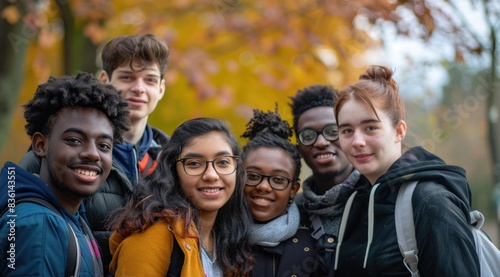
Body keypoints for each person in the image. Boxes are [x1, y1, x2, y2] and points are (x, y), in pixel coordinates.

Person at [18, 33, 170, 273]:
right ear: (105, 80)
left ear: (161, 88)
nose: (139, 88)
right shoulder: (57, 153)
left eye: (150, 80)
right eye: (127, 77)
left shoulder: (173, 161)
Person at [333, 65, 480, 276]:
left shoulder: (431, 202)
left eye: (370, 128)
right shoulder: (353, 202)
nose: (357, 141)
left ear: (399, 131)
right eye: (347, 130)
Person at [0, 72, 130, 276]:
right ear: (41, 145)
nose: (92, 154)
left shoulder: (70, 216)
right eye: (74, 140)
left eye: (104, 145)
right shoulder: (39, 225)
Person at [107, 117, 254, 276]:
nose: (211, 175)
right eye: (194, 163)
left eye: (223, 162)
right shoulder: (152, 236)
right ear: (173, 170)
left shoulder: (228, 236)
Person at [289, 85, 362, 275]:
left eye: (332, 131)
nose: (321, 142)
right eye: (308, 135)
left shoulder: (380, 198)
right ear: (298, 149)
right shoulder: (290, 212)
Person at [241, 108, 316, 276]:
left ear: (293, 190)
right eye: (253, 176)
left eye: (278, 180)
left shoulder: (315, 239)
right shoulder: (215, 232)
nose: (264, 187)